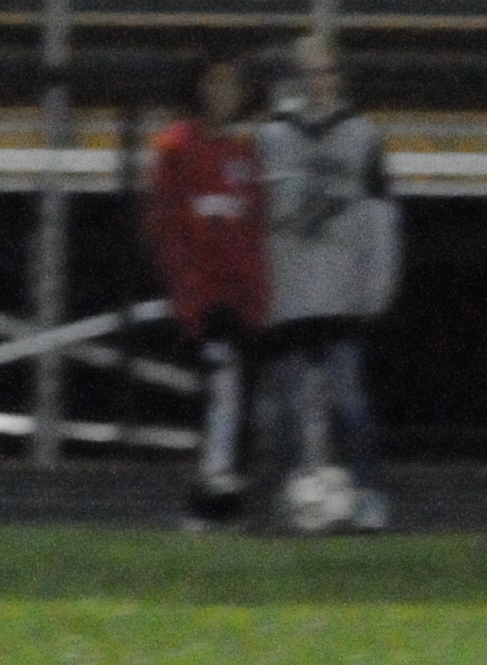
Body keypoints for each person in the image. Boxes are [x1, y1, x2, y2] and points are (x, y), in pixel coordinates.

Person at [252, 34, 402, 531]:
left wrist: (377, 286)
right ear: (296, 78)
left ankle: (366, 494)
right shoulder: (271, 136)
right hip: (289, 292)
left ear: (339, 76)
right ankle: (291, 500)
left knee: (349, 403)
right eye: (309, 72)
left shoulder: (362, 136)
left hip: (342, 293)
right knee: (287, 409)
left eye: (326, 71)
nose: (318, 81)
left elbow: (382, 215)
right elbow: (256, 218)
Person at [141, 51, 268, 529]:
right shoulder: (178, 146)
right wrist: (186, 291)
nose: (222, 94)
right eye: (214, 83)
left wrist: (257, 293)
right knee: (222, 390)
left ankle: (224, 501)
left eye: (231, 85)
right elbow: (165, 227)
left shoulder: (248, 151)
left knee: (234, 398)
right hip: (203, 297)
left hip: (243, 298)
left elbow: (255, 227)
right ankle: (208, 498)